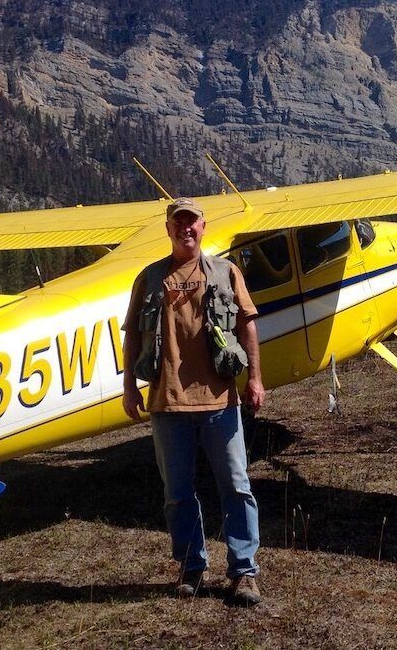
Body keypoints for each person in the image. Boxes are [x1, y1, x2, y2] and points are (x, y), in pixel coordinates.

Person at [122, 197, 265, 606]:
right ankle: (191, 567)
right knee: (177, 493)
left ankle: (244, 572)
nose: (185, 228)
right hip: (167, 403)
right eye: (177, 222)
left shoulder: (225, 271)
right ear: (168, 229)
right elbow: (133, 333)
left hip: (220, 400)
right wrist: (130, 386)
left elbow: (247, 326)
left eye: (192, 222)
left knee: (237, 487)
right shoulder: (149, 279)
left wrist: (254, 377)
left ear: (203, 227)